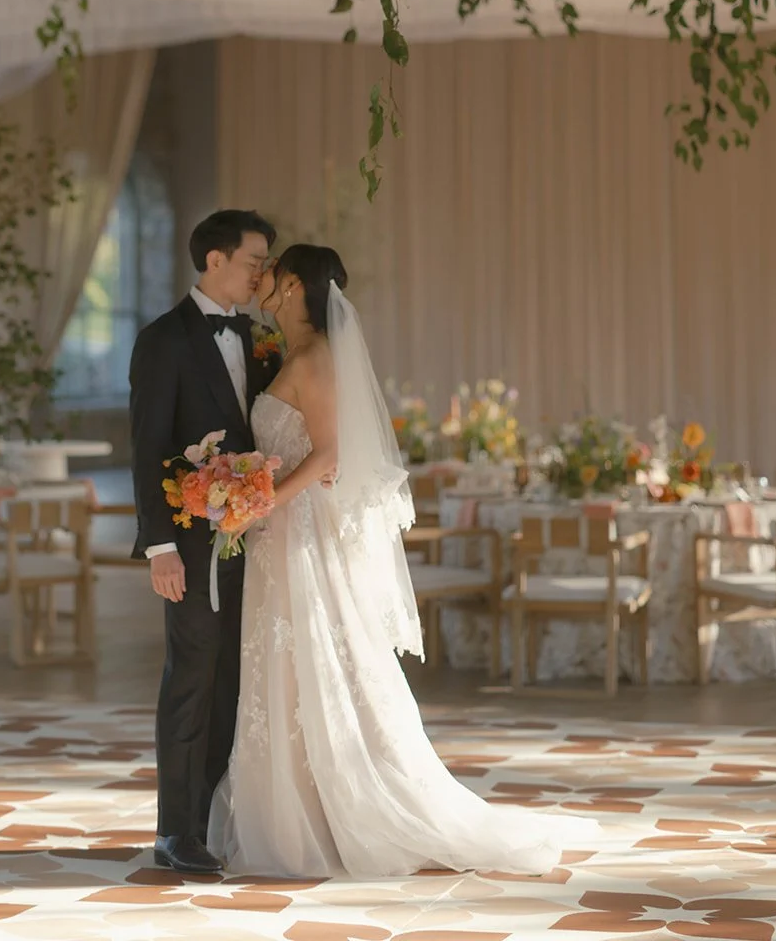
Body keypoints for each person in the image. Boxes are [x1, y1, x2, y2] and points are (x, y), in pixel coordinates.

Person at [208, 242, 612, 879]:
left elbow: (328, 457)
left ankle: (342, 811)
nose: (262, 282)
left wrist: (259, 505)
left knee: (314, 659)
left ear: (290, 287)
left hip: (298, 532)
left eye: (273, 273)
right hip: (280, 533)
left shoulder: (314, 358)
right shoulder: (295, 355)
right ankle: (297, 814)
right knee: (285, 668)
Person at [128, 207, 278, 876]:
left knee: (236, 682)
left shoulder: (260, 340)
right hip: (190, 547)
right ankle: (174, 832)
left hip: (257, 542)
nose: (261, 275)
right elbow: (147, 448)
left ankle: (212, 820)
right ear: (214, 260)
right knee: (192, 677)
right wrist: (159, 548)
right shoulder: (162, 340)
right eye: (253, 261)